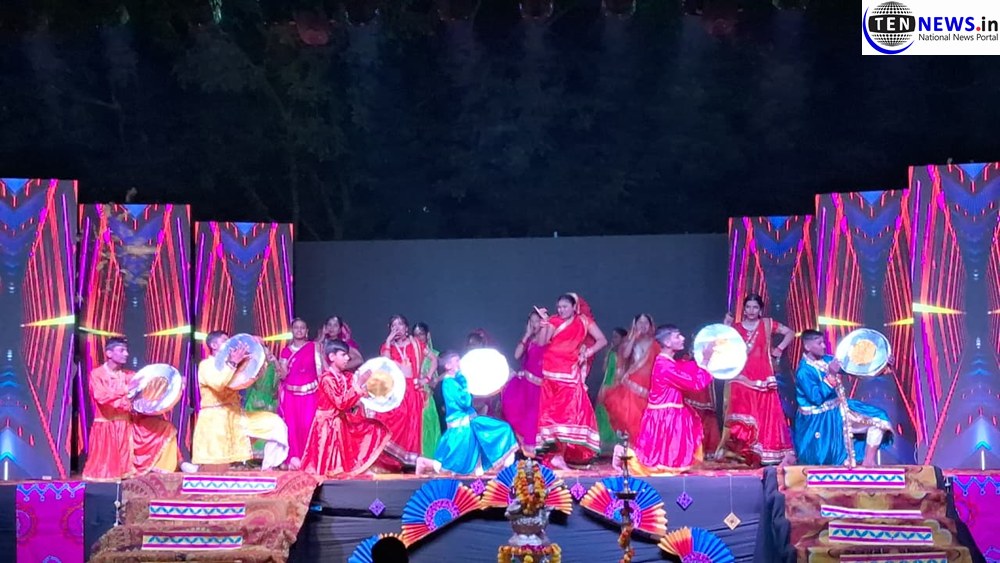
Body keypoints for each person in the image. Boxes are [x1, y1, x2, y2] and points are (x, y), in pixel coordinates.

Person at [615, 325, 714, 475]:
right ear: (667, 342)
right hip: (665, 417)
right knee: (659, 465)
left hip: (669, 414)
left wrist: (702, 359)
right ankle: (623, 454)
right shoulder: (664, 366)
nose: (682, 338)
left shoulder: (668, 363)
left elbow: (686, 368)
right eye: (677, 336)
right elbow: (694, 383)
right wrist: (705, 360)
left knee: (668, 463)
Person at [82, 338, 182, 481]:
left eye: (126, 350)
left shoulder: (130, 375)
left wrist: (175, 384)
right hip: (107, 426)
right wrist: (126, 390)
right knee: (107, 475)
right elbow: (102, 397)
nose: (126, 354)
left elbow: (146, 391)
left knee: (165, 428)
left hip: (128, 424)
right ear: (109, 353)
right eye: (122, 350)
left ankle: (174, 465)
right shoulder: (97, 374)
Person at [191, 331, 289, 471]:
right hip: (216, 422)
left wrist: (255, 348)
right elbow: (218, 384)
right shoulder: (206, 365)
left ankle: (268, 468)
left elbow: (245, 380)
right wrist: (233, 363)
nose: (229, 343)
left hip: (237, 418)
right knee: (217, 469)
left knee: (276, 425)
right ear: (213, 345)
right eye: (225, 340)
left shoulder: (234, 364)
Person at [793, 330, 893, 467]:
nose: (824, 346)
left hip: (839, 408)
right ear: (807, 346)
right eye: (819, 343)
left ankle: (868, 461)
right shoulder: (804, 371)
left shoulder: (827, 360)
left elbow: (854, 368)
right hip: (819, 419)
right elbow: (816, 398)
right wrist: (831, 375)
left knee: (879, 418)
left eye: (823, 342)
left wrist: (882, 364)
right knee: (827, 460)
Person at [717, 294, 796, 466]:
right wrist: (726, 325)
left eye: (755, 307)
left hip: (763, 376)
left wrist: (779, 348)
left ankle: (762, 453)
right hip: (740, 376)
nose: (751, 311)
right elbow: (721, 345)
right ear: (744, 309)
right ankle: (742, 454)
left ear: (760, 310)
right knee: (741, 414)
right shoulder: (736, 328)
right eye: (748, 307)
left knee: (764, 414)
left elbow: (790, 333)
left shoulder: (767, 324)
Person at [536, 293, 607, 469]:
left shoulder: (584, 321)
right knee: (552, 413)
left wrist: (587, 352)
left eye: (565, 307)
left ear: (574, 307)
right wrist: (544, 322)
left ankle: (560, 455)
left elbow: (602, 340)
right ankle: (554, 456)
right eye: (559, 307)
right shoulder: (554, 320)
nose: (561, 310)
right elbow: (542, 342)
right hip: (551, 372)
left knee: (572, 412)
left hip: (570, 372)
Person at [301, 339, 390, 478]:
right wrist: (358, 385)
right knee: (325, 470)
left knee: (373, 428)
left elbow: (351, 398)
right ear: (332, 357)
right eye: (343, 355)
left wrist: (369, 389)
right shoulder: (327, 379)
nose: (348, 358)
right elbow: (341, 403)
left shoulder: (346, 377)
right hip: (326, 427)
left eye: (347, 355)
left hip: (340, 423)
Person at [428, 352, 518, 476]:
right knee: (456, 466)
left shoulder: (454, 381)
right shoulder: (449, 382)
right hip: (461, 425)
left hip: (469, 421)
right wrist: (464, 383)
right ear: (448, 366)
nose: (460, 363)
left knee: (502, 428)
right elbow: (464, 402)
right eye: (456, 360)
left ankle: (493, 467)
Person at [376, 315, 434, 471]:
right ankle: (391, 462)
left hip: (413, 391)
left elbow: (434, 359)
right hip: (395, 391)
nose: (397, 328)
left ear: (406, 327)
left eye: (400, 324)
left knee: (412, 427)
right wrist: (388, 341)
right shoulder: (387, 346)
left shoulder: (417, 344)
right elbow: (386, 363)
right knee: (392, 424)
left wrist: (426, 378)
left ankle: (409, 463)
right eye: (393, 325)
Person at [603, 314, 658, 441]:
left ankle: (644, 442)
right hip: (631, 383)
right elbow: (625, 355)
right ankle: (633, 443)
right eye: (640, 323)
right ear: (635, 325)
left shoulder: (655, 344)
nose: (643, 326)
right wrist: (633, 338)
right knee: (632, 414)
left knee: (646, 415)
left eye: (646, 323)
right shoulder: (630, 341)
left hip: (649, 385)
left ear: (650, 326)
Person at [277, 318, 321, 469]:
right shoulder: (286, 351)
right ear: (292, 331)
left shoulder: (314, 347)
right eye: (296, 328)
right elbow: (283, 375)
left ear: (307, 331)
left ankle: (311, 459)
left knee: (308, 424)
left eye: (302, 328)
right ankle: (294, 460)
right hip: (291, 395)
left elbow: (321, 368)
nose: (299, 330)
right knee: (293, 427)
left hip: (311, 394)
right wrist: (276, 362)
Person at [502, 311, 546, 454]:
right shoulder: (530, 339)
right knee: (517, 409)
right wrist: (527, 334)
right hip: (525, 385)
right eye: (531, 321)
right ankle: (525, 447)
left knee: (534, 416)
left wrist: (545, 324)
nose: (534, 324)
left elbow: (541, 345)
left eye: (536, 321)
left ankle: (533, 448)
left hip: (538, 386)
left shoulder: (546, 337)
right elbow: (516, 355)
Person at [412, 322, 442, 458]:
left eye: (421, 334)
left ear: (428, 335)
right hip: (413, 397)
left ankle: (430, 459)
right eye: (415, 335)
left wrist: (428, 379)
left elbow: (437, 382)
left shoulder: (436, 356)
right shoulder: (410, 354)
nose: (419, 338)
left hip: (429, 398)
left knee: (429, 427)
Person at [595, 327, 627, 453]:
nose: (613, 339)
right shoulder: (611, 352)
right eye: (613, 336)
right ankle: (603, 445)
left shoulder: (624, 355)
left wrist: (613, 388)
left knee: (613, 414)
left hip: (616, 387)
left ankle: (615, 446)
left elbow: (621, 374)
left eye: (616, 337)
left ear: (623, 339)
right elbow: (605, 370)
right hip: (607, 384)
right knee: (601, 412)